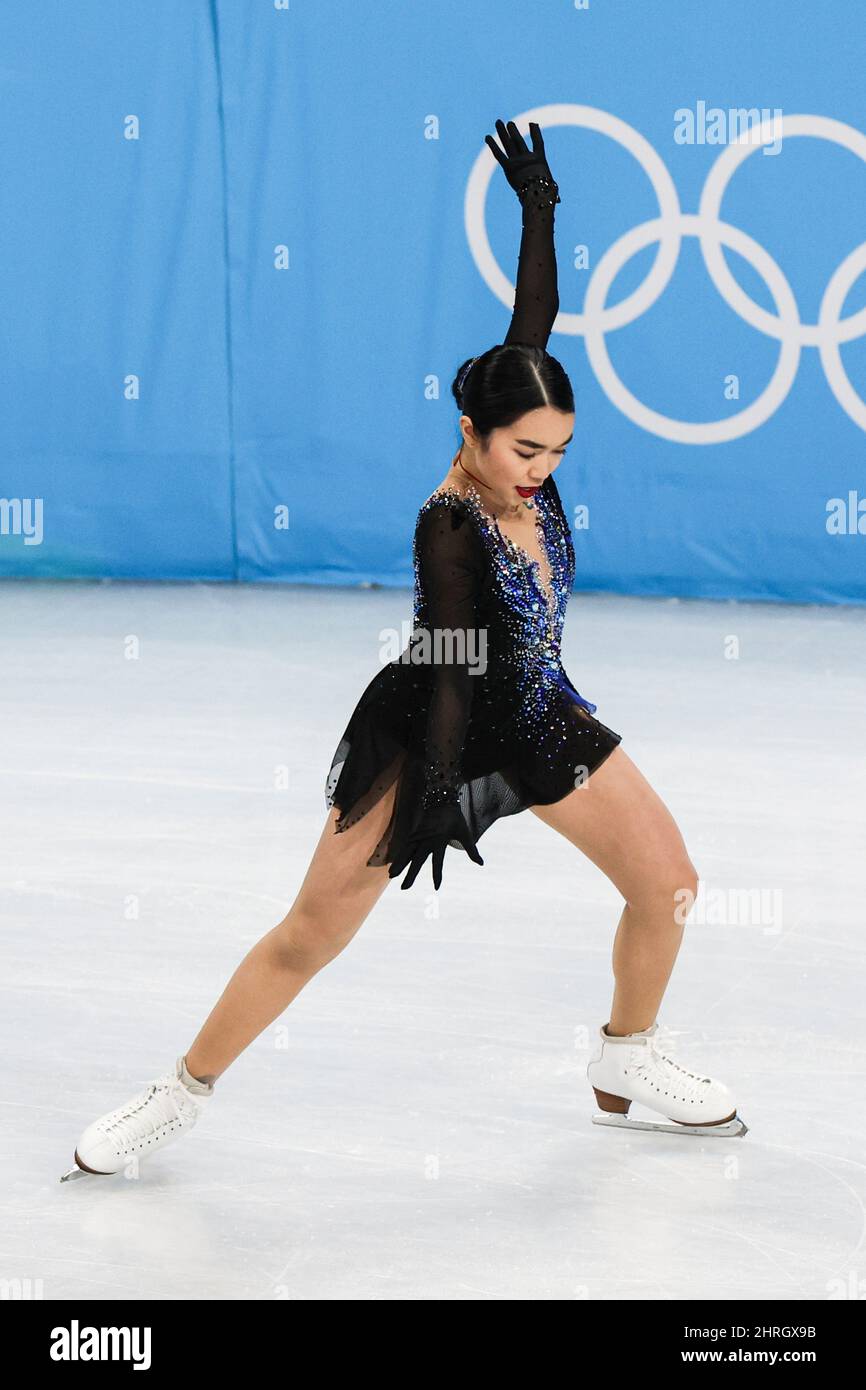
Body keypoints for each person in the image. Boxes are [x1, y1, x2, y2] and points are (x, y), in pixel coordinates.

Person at [61, 121, 745, 1182]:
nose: (540, 468)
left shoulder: (517, 431)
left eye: (558, 450)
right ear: (467, 431)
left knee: (668, 884)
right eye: (524, 449)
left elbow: (533, 326)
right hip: (430, 716)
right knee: (312, 931)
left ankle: (627, 1056)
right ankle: (176, 1095)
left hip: (536, 708)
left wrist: (539, 212)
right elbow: (458, 661)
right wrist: (430, 790)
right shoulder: (447, 525)